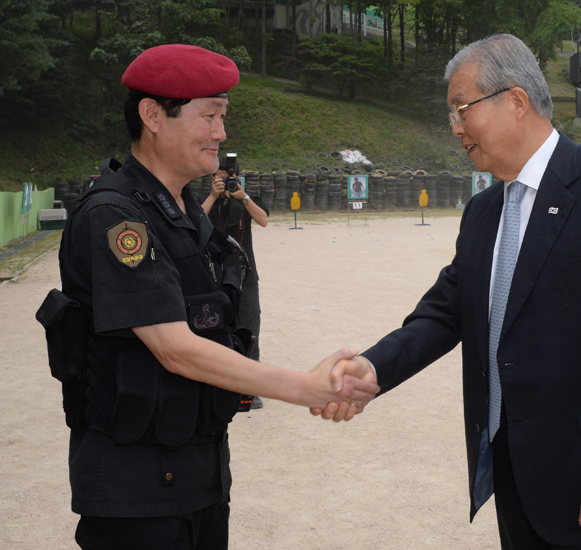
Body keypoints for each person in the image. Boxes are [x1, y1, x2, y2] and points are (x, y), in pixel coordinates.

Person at [319, 34, 581, 549]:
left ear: (515, 100)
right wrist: (372, 368)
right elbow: (444, 314)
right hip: (516, 473)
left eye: (461, 109)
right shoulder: (485, 212)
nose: (456, 128)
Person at [44, 44, 378, 550]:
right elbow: (173, 346)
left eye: (224, 116)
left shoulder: (182, 211)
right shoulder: (115, 216)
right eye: (211, 116)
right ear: (153, 115)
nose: (222, 133)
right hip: (138, 492)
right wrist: (304, 388)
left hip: (195, 476)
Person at [200, 156, 269, 408]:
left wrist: (243, 196)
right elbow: (192, 223)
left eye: (228, 178)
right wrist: (212, 196)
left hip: (245, 275)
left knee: (249, 325)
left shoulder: (246, 199)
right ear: (211, 178)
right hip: (214, 275)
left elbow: (263, 219)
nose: (224, 182)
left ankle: (250, 386)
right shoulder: (205, 202)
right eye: (219, 177)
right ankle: (217, 384)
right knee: (215, 326)